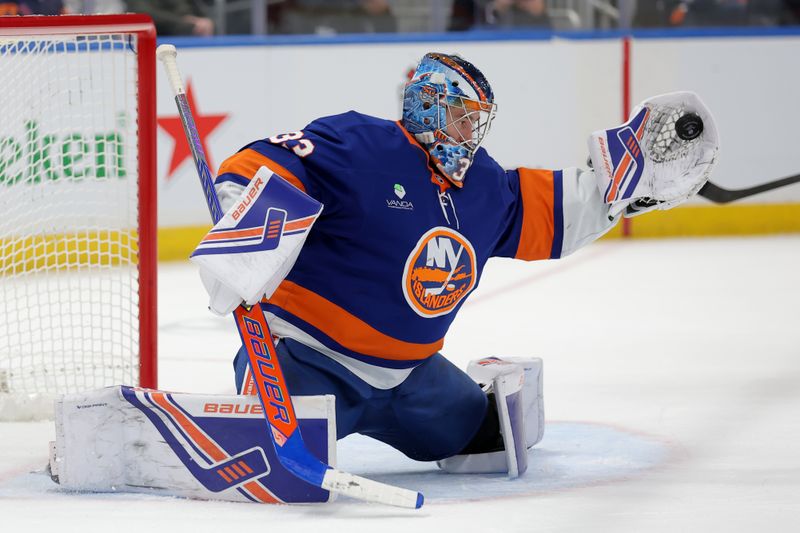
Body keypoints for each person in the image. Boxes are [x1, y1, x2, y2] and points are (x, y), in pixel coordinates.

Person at [197, 53, 718, 472]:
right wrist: (244, 239)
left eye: (478, 121)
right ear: (428, 103)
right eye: (462, 116)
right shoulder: (360, 144)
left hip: (411, 379)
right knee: (278, 460)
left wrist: (619, 191)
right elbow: (261, 163)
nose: (471, 132)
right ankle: (242, 417)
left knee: (484, 438)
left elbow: (544, 212)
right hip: (310, 359)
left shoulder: (483, 184)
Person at [125, 0, 214, 36]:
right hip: (156, 41)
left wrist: (206, 21)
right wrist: (182, 21)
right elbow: (143, 14)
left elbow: (198, 12)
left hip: (192, 38)